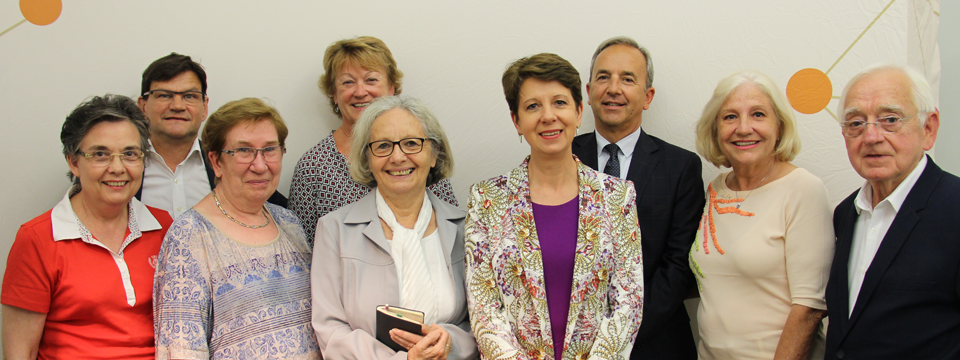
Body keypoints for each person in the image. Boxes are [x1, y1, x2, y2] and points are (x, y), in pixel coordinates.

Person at [465, 53, 644, 359]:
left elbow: (628, 304)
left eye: (559, 103)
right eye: (533, 106)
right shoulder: (486, 199)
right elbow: (485, 311)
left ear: (578, 110)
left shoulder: (618, 196)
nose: (548, 116)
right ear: (516, 121)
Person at [1, 95, 171, 359]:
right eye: (100, 154)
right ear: (73, 162)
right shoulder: (37, 238)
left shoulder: (165, 228)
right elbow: (20, 351)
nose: (117, 168)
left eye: (129, 154)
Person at [312, 94, 478, 359]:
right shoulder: (334, 230)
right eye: (383, 145)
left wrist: (450, 344)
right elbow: (330, 329)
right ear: (367, 157)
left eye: (412, 143)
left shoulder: (467, 228)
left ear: (434, 154)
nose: (398, 157)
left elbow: (489, 320)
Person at [153, 98, 320, 359]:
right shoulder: (189, 236)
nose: (260, 165)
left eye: (270, 150)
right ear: (216, 162)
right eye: (244, 151)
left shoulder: (289, 223)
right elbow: (181, 351)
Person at [571, 36, 703, 360]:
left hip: (657, 343)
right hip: (573, 344)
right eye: (603, 77)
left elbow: (678, 266)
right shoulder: (557, 158)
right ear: (588, 92)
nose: (613, 88)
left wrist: (616, 337)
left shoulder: (681, 166)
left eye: (627, 79)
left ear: (647, 96)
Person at [688, 70, 834, 359]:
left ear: (779, 126)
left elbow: (809, 309)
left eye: (758, 114)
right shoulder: (716, 189)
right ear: (715, 129)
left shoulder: (803, 189)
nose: (744, 128)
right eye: (730, 117)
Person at [825, 64, 960, 359]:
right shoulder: (845, 213)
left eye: (890, 120)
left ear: (929, 128)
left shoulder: (955, 207)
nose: (871, 136)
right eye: (856, 123)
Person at [290, 36, 457, 243]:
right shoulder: (312, 167)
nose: (360, 92)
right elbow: (303, 251)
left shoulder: (419, 152)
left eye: (371, 80)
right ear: (334, 94)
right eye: (348, 82)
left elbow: (452, 230)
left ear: (391, 88)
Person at [137, 53, 286, 219]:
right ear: (143, 106)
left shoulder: (230, 162)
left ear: (204, 107)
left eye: (189, 96)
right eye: (164, 95)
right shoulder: (125, 169)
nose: (177, 106)